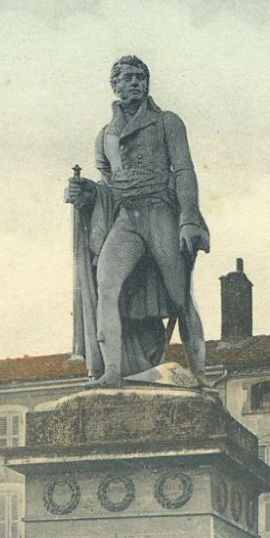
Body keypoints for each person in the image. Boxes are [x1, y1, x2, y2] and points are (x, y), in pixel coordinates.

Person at [65, 56, 210, 387]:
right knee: (106, 286)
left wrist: (189, 219)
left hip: (161, 213)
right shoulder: (105, 136)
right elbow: (108, 187)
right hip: (126, 218)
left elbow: (184, 169)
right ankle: (112, 370)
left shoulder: (167, 122)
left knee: (180, 296)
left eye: (141, 77)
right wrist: (84, 191)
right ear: (115, 85)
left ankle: (200, 374)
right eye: (128, 78)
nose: (135, 83)